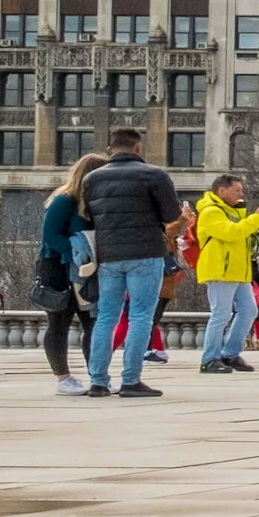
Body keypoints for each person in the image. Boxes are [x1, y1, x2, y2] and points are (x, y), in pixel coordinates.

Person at [78, 126, 182, 399]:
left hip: (108, 255)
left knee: (105, 318)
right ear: (138, 148)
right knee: (140, 317)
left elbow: (88, 214)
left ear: (110, 149)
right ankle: (130, 380)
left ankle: (98, 381)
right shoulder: (154, 175)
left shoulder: (91, 178)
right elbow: (171, 214)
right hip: (146, 253)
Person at [188, 174, 259, 373]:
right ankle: (209, 358)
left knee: (249, 310)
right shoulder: (210, 212)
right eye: (237, 190)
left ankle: (230, 353)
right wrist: (256, 217)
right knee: (221, 315)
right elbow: (232, 233)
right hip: (220, 270)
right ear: (222, 190)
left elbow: (248, 234)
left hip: (238, 271)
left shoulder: (235, 210)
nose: (240, 194)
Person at [37, 153, 99, 396]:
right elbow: (50, 236)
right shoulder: (64, 200)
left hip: (87, 271)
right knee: (58, 323)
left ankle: (96, 373)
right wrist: (76, 253)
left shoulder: (95, 204)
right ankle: (63, 377)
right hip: (59, 269)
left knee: (92, 322)